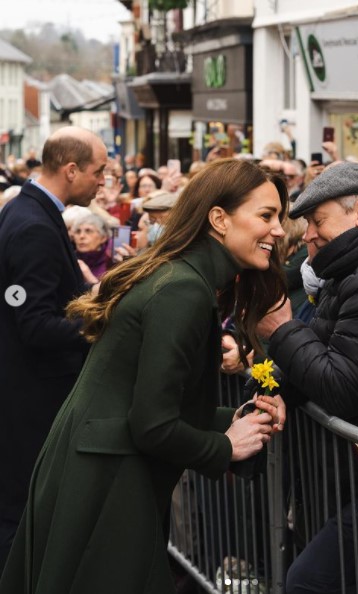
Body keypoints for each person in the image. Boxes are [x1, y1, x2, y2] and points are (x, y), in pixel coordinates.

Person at [0, 158, 288, 594]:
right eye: (266, 216)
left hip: (102, 470)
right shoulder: (183, 289)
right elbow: (153, 424)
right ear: (219, 219)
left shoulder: (181, 279)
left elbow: (161, 406)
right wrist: (225, 445)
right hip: (107, 482)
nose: (280, 230)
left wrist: (241, 416)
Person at [257, 161, 358, 593]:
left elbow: (342, 387)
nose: (309, 234)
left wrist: (280, 330)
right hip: (353, 477)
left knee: (309, 580)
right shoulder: (347, 272)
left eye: (317, 221)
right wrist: (268, 388)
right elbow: (316, 349)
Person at [0, 126, 108, 573]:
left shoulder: (27, 212)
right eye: (99, 171)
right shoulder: (32, 226)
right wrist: (102, 319)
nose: (104, 180)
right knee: (20, 513)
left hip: (27, 393)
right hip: (32, 400)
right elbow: (37, 324)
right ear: (70, 170)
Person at [72, 213, 113, 281]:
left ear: (103, 238)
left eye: (88, 231)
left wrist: (89, 277)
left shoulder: (111, 262)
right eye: (78, 231)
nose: (81, 236)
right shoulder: (70, 260)